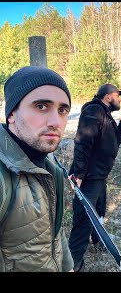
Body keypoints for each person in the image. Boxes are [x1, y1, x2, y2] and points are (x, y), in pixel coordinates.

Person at [0, 66, 74, 272]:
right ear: (12, 114)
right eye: (41, 106)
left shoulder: (49, 165)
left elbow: (55, 231)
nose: (55, 122)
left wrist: (68, 267)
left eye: (63, 110)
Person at [68, 83, 121, 272]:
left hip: (99, 175)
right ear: (107, 96)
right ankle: (73, 263)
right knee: (84, 218)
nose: (119, 99)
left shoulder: (105, 115)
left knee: (99, 211)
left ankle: (97, 240)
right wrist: (79, 174)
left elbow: (112, 144)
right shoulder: (94, 112)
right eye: (117, 95)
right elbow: (82, 142)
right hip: (89, 176)